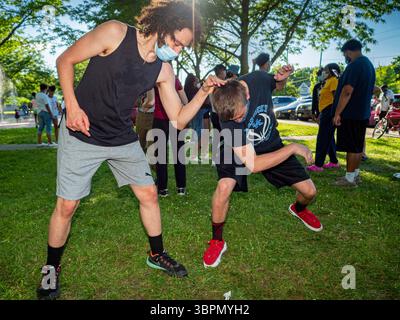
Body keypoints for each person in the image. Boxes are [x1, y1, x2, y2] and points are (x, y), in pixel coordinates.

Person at [37, 1, 224, 300]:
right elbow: (65, 60)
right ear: (163, 25)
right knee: (67, 206)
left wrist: (202, 92)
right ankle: (51, 268)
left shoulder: (163, 68)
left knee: (149, 194)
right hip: (81, 131)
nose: (177, 51)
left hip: (120, 136)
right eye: (176, 42)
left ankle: (157, 253)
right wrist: (71, 106)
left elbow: (178, 118)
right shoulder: (114, 32)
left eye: (183, 47)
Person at [203, 67, 323, 268]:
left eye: (240, 116)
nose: (238, 121)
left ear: (247, 94)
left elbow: (276, 83)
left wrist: (282, 80)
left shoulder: (258, 79)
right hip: (236, 149)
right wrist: (293, 147)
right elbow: (254, 164)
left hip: (269, 143)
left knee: (309, 192)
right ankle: (217, 240)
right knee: (224, 187)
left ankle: (298, 209)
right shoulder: (228, 120)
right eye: (233, 119)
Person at [333, 39, 376, 187]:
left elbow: (347, 91)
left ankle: (349, 179)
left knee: (352, 147)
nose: (345, 57)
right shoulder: (368, 65)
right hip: (362, 113)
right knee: (357, 146)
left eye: (345, 54)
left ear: (348, 51)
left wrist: (337, 113)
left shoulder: (355, 65)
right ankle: (355, 175)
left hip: (351, 113)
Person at [153, 74, 188, 197]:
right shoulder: (174, 78)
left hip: (160, 119)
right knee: (179, 153)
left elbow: (150, 100)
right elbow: (184, 99)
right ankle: (181, 188)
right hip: (176, 118)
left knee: (161, 155)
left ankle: (163, 189)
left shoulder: (154, 78)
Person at [307, 63, 341, 172]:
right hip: (325, 111)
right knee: (329, 137)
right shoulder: (328, 81)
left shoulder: (334, 80)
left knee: (322, 138)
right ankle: (334, 162)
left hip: (329, 111)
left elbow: (336, 98)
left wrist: (336, 114)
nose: (324, 72)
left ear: (332, 71)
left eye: (326, 70)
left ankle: (318, 165)